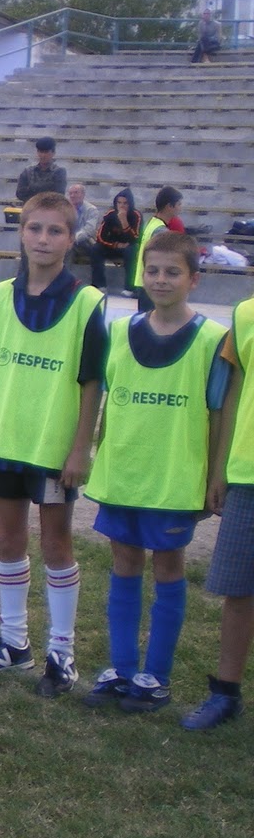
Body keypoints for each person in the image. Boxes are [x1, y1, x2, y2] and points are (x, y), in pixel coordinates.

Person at [0, 191, 106, 697]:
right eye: (35, 229)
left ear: (71, 239)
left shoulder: (87, 303)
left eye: (55, 231)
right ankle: (13, 642)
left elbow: (92, 383)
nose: (43, 239)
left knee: (56, 542)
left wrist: (79, 447)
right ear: (21, 233)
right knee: (7, 537)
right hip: (5, 437)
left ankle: (61, 653)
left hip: (51, 446)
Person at [84, 231, 230, 713]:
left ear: (194, 279)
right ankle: (121, 668)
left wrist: (214, 476)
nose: (161, 280)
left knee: (168, 567)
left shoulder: (212, 339)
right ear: (140, 275)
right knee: (123, 563)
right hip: (125, 469)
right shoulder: (121, 329)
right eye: (152, 271)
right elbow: (108, 399)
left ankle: (156, 678)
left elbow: (217, 412)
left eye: (172, 272)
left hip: (173, 477)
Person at [184, 286, 254, 730]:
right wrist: (220, 469)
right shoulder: (246, 314)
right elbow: (232, 395)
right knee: (239, 589)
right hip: (249, 470)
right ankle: (225, 691)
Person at [131, 187, 183, 313]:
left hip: (144, 280)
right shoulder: (161, 231)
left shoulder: (152, 223)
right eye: (179, 204)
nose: (180, 208)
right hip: (152, 284)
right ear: (169, 206)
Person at [92, 188, 141, 296]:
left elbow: (135, 238)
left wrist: (124, 221)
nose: (121, 206)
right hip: (113, 246)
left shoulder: (136, 215)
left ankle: (130, 288)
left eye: (125, 203)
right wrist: (115, 245)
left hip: (128, 247)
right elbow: (100, 236)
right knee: (95, 248)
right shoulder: (110, 214)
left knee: (132, 250)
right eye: (119, 203)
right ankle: (99, 285)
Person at [15, 137, 67, 204]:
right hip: (31, 209)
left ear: (53, 153)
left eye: (46, 152)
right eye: (40, 152)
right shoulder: (28, 171)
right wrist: (45, 190)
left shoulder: (59, 171)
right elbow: (20, 193)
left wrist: (32, 189)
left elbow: (59, 195)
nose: (43, 155)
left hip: (50, 209)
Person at [68, 183, 103, 277]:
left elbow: (89, 230)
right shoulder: (66, 209)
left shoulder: (92, 210)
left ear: (83, 195)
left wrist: (73, 239)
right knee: (65, 249)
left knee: (96, 251)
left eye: (76, 193)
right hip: (70, 242)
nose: (72, 195)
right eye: (70, 193)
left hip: (87, 241)